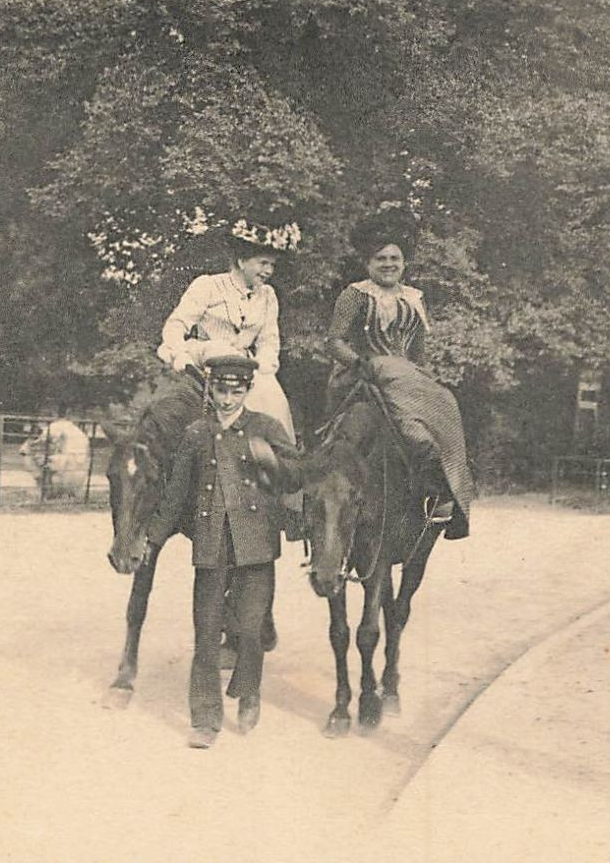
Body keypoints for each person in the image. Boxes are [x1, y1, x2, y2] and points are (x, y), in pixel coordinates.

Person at [143, 354, 302, 748]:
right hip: (211, 543)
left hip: (256, 546)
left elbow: (297, 476)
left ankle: (249, 693)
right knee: (206, 632)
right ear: (210, 390)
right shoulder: (197, 433)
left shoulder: (266, 427)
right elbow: (177, 492)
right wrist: (153, 538)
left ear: (248, 391)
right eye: (220, 390)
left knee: (249, 631)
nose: (227, 399)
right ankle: (205, 719)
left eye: (235, 391)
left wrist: (273, 462)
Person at [324, 210, 475, 540]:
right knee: (384, 387)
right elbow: (334, 341)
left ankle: (445, 490)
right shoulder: (355, 295)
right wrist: (359, 362)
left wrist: (423, 381)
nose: (388, 264)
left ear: (404, 263)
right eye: (380, 258)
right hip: (361, 374)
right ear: (368, 263)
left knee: (444, 400)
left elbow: (416, 351)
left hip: (403, 376)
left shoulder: (414, 298)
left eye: (395, 258)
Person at [157, 218, 301, 444]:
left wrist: (263, 367)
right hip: (206, 357)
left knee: (273, 398)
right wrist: (180, 355)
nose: (268, 271)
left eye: (272, 265)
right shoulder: (208, 285)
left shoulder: (268, 296)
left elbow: (268, 340)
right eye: (263, 263)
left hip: (244, 364)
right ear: (242, 260)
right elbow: (176, 325)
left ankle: (279, 460)